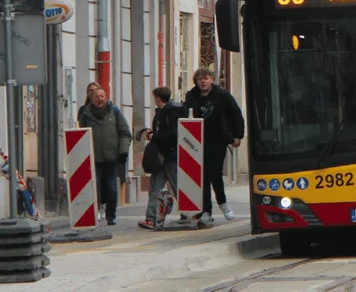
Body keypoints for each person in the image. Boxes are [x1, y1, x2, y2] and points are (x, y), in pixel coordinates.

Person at [183, 67, 245, 228]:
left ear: (212, 79)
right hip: (197, 141)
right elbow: (185, 114)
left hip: (218, 140)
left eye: (206, 78)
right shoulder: (192, 96)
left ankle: (222, 202)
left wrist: (237, 135)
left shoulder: (222, 95)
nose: (203, 81)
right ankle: (206, 212)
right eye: (200, 79)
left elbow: (236, 114)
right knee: (202, 176)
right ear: (196, 82)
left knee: (215, 172)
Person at [77, 87, 131, 225]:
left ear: (106, 97)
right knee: (94, 188)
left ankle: (111, 216)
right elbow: (81, 134)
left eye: (102, 96)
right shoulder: (86, 114)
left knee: (111, 188)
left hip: (111, 157)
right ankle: (94, 213)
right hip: (93, 158)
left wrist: (123, 151)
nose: (100, 99)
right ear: (92, 98)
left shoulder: (115, 111)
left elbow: (125, 133)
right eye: (97, 96)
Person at [139, 87, 185, 230]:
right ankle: (151, 219)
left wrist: (155, 137)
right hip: (161, 157)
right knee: (155, 187)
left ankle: (187, 214)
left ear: (158, 98)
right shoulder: (161, 113)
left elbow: (172, 135)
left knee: (178, 186)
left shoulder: (171, 113)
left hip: (170, 156)